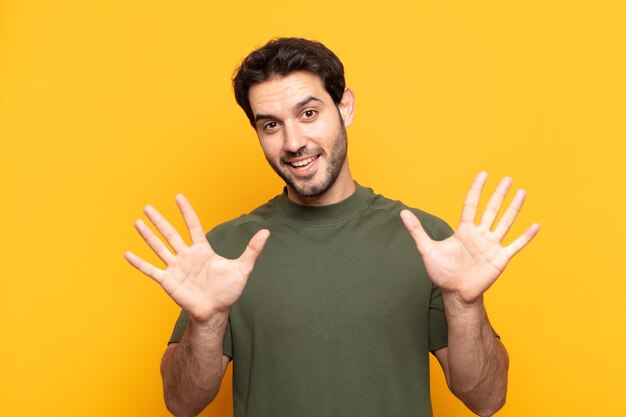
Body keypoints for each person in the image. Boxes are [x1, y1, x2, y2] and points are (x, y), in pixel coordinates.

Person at [125, 37, 540, 417]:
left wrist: (465, 306)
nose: (292, 142)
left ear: (345, 107)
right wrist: (207, 322)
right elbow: (181, 404)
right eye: (271, 124)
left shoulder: (426, 240)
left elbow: (487, 399)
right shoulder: (225, 249)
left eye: (308, 113)